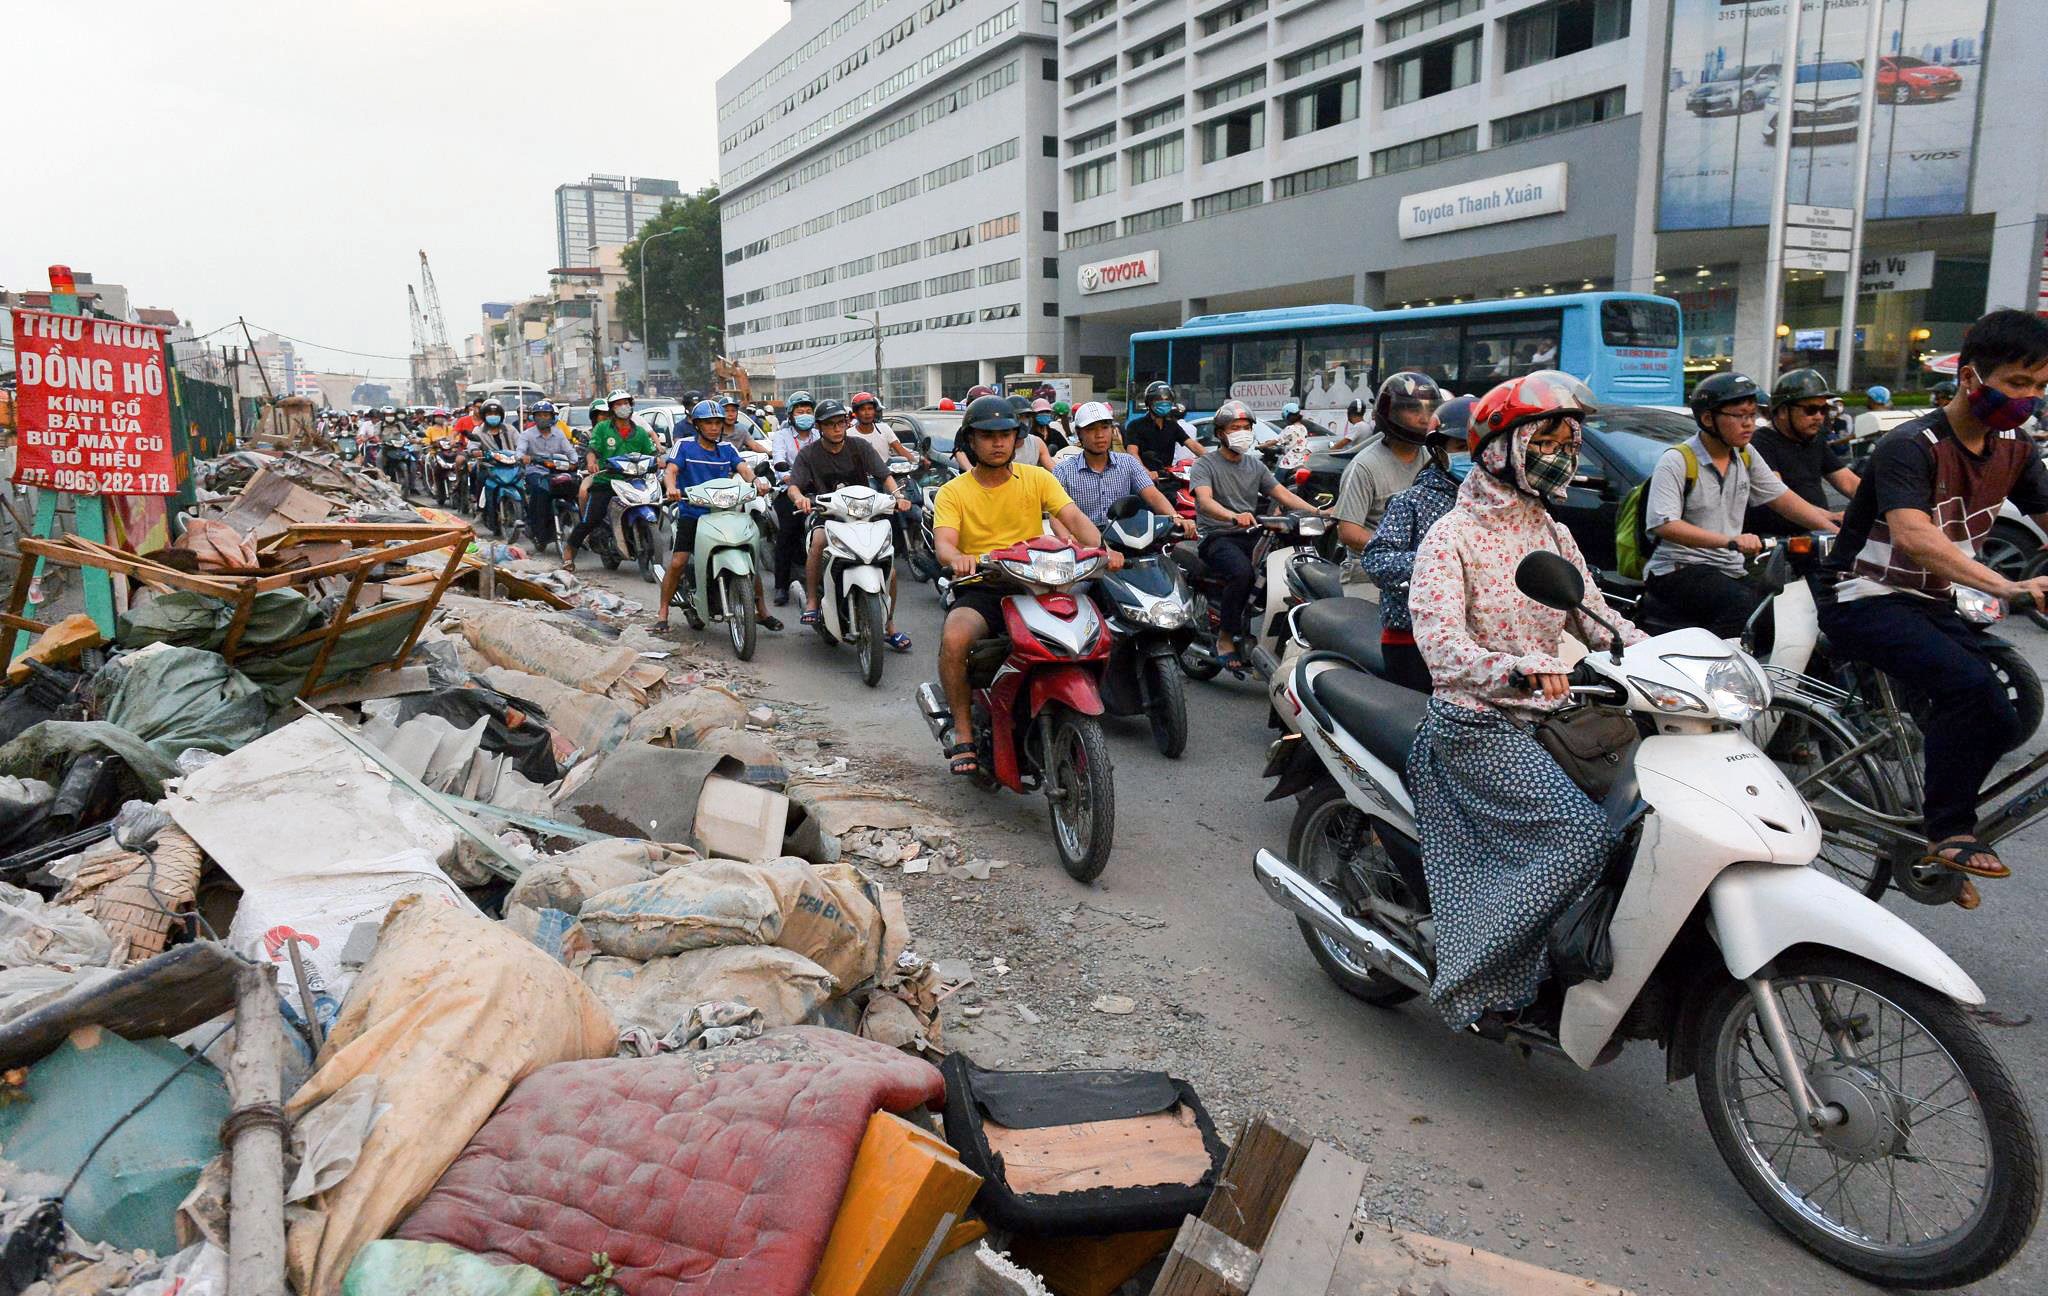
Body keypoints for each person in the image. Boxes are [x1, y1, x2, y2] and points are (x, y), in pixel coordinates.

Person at [1405, 371, 1646, 1031]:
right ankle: (1479, 977)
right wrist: (1517, 669)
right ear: (1498, 448)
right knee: (1579, 837)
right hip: (1477, 724)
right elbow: (1442, 648)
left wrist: (1676, 659)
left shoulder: (1554, 534)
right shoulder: (1448, 538)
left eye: (1570, 441)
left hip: (1554, 719)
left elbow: (1600, 625)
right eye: (1547, 438)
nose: (1562, 453)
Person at [1816, 308, 2048, 906]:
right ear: (1972, 377)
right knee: (1972, 690)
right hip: (1863, 595)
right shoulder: (1909, 445)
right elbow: (1916, 537)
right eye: (2019, 384)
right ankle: (1949, 833)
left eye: (2040, 387)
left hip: (1931, 600)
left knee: (2003, 713)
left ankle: (1941, 832)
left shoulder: (2015, 448)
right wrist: (2009, 586)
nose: (2029, 398)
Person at [932, 395, 1105, 776]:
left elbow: (1074, 519)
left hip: (1038, 584)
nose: (998, 443)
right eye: (988, 435)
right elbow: (944, 542)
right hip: (984, 584)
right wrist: (957, 558)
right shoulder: (954, 492)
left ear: (1017, 439)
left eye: (1007, 435)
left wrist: (1100, 548)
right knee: (956, 639)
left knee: (1092, 632)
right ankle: (963, 731)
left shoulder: (1038, 478)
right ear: (970, 441)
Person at [1643, 372, 1837, 638]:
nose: (1750, 425)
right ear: (1709, 419)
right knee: (1745, 609)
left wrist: (1832, 531)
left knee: (1779, 614)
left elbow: (1783, 499)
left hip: (1729, 567)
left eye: (1753, 415)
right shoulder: (1677, 460)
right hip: (1678, 568)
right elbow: (1665, 525)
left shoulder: (1745, 455)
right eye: (1740, 416)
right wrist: (1730, 541)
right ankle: (1713, 675)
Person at [1190, 398, 1327, 671]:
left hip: (1254, 533)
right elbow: (1204, 501)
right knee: (1242, 574)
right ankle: (1225, 639)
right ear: (1220, 433)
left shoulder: (1256, 466)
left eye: (1246, 427)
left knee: (1288, 575)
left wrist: (1319, 512)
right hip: (1217, 536)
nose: (1242, 432)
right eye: (1235, 427)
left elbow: (1283, 494)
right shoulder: (1205, 464)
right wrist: (1231, 516)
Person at [785, 397, 915, 650]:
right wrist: (800, 498)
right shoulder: (809, 454)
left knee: (890, 567)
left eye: (841, 423)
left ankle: (889, 626)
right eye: (830, 424)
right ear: (819, 427)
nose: (836, 428)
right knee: (818, 541)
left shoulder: (859, 447)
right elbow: (794, 486)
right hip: (829, 514)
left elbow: (885, 475)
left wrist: (898, 496)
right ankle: (812, 601)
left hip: (864, 516)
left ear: (847, 423)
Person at [1361, 400, 1468, 690]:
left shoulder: (1500, 508)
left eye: (1479, 446)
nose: (1473, 456)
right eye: (1461, 446)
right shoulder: (1412, 501)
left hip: (1477, 645)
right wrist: (1440, 563)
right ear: (1439, 450)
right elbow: (1377, 561)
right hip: (1412, 639)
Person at [655, 400, 780, 634]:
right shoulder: (684, 446)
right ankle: (663, 611)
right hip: (693, 513)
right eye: (708, 423)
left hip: (725, 513)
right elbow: (670, 471)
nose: (714, 427)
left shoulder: (727, 450)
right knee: (679, 561)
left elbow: (744, 469)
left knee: (749, 557)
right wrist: (671, 488)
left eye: (717, 423)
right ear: (697, 425)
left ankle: (762, 611)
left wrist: (756, 482)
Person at [1334, 373, 1444, 557]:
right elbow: (1349, 532)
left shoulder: (1434, 459)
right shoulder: (1363, 466)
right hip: (1368, 572)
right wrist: (1399, 553)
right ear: (1390, 411)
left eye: (1430, 410)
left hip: (1425, 569)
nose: (1424, 418)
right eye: (1413, 410)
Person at [1747, 369, 1862, 536]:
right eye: (1810, 410)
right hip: (1778, 543)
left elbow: (1849, 483)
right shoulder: (1761, 444)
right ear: (1783, 411)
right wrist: (1831, 518)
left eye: (1823, 410)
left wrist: (1887, 504)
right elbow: (1779, 498)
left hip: (1818, 534)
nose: (1819, 417)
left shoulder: (1814, 440)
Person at [1052, 401, 1190, 537]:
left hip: (1125, 540)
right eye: (1091, 429)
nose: (1099, 434)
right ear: (1079, 433)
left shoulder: (1127, 462)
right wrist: (1073, 546)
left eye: (1105, 427)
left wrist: (1175, 517)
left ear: (1112, 430)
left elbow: (1153, 495)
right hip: (1085, 545)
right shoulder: (1063, 471)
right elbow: (1056, 517)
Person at [561, 390, 654, 570]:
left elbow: (651, 453)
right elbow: (592, 450)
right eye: (618, 404)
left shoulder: (641, 432)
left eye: (626, 403)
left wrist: (659, 459)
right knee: (591, 519)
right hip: (607, 481)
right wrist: (591, 462)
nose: (623, 407)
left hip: (634, 481)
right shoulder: (602, 429)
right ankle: (569, 551)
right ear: (612, 409)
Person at [768, 390, 822, 605]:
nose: (805, 415)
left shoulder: (820, 435)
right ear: (791, 415)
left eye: (808, 411)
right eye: (800, 411)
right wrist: (792, 478)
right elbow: (779, 462)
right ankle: (781, 585)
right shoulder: (781, 436)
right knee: (787, 533)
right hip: (790, 491)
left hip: (819, 491)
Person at [517, 401, 577, 551]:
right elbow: (519, 452)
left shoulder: (559, 433)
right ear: (534, 418)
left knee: (575, 485)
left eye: (546, 415)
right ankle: (536, 528)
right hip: (536, 472)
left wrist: (575, 461)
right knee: (540, 490)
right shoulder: (526, 435)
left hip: (558, 471)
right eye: (539, 415)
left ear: (552, 417)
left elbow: (570, 452)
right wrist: (524, 457)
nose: (543, 418)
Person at [1123, 382, 1205, 484]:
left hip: (1168, 479)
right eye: (1158, 399)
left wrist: (1213, 461)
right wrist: (1145, 472)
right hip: (1143, 481)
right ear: (1149, 402)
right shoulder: (1135, 425)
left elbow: (1193, 445)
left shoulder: (1172, 426)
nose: (1164, 402)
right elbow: (1132, 453)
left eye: (1167, 400)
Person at [849, 392, 918, 466]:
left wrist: (916, 462)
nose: (867, 413)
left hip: (886, 475)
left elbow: (900, 450)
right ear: (856, 413)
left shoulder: (884, 428)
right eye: (862, 409)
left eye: (870, 409)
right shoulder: (848, 434)